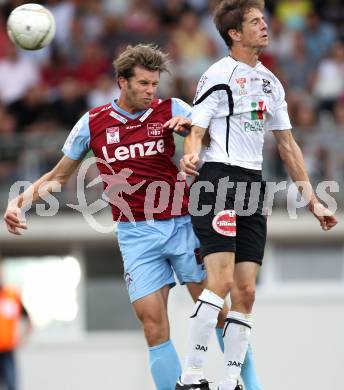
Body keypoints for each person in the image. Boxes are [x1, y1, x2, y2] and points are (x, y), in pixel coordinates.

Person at [176, 1, 338, 390]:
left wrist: (313, 200)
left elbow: (288, 145)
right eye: (255, 21)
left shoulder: (271, 82)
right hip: (216, 179)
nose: (265, 26)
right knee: (221, 281)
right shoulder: (217, 74)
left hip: (252, 183)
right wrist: (191, 155)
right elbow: (196, 128)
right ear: (235, 33)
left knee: (246, 289)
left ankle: (231, 380)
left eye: (264, 20)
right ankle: (192, 375)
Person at [0, 266, 32, 390]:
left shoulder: (12, 296)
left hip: (8, 351)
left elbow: (28, 319)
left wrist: (23, 339)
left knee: (11, 384)